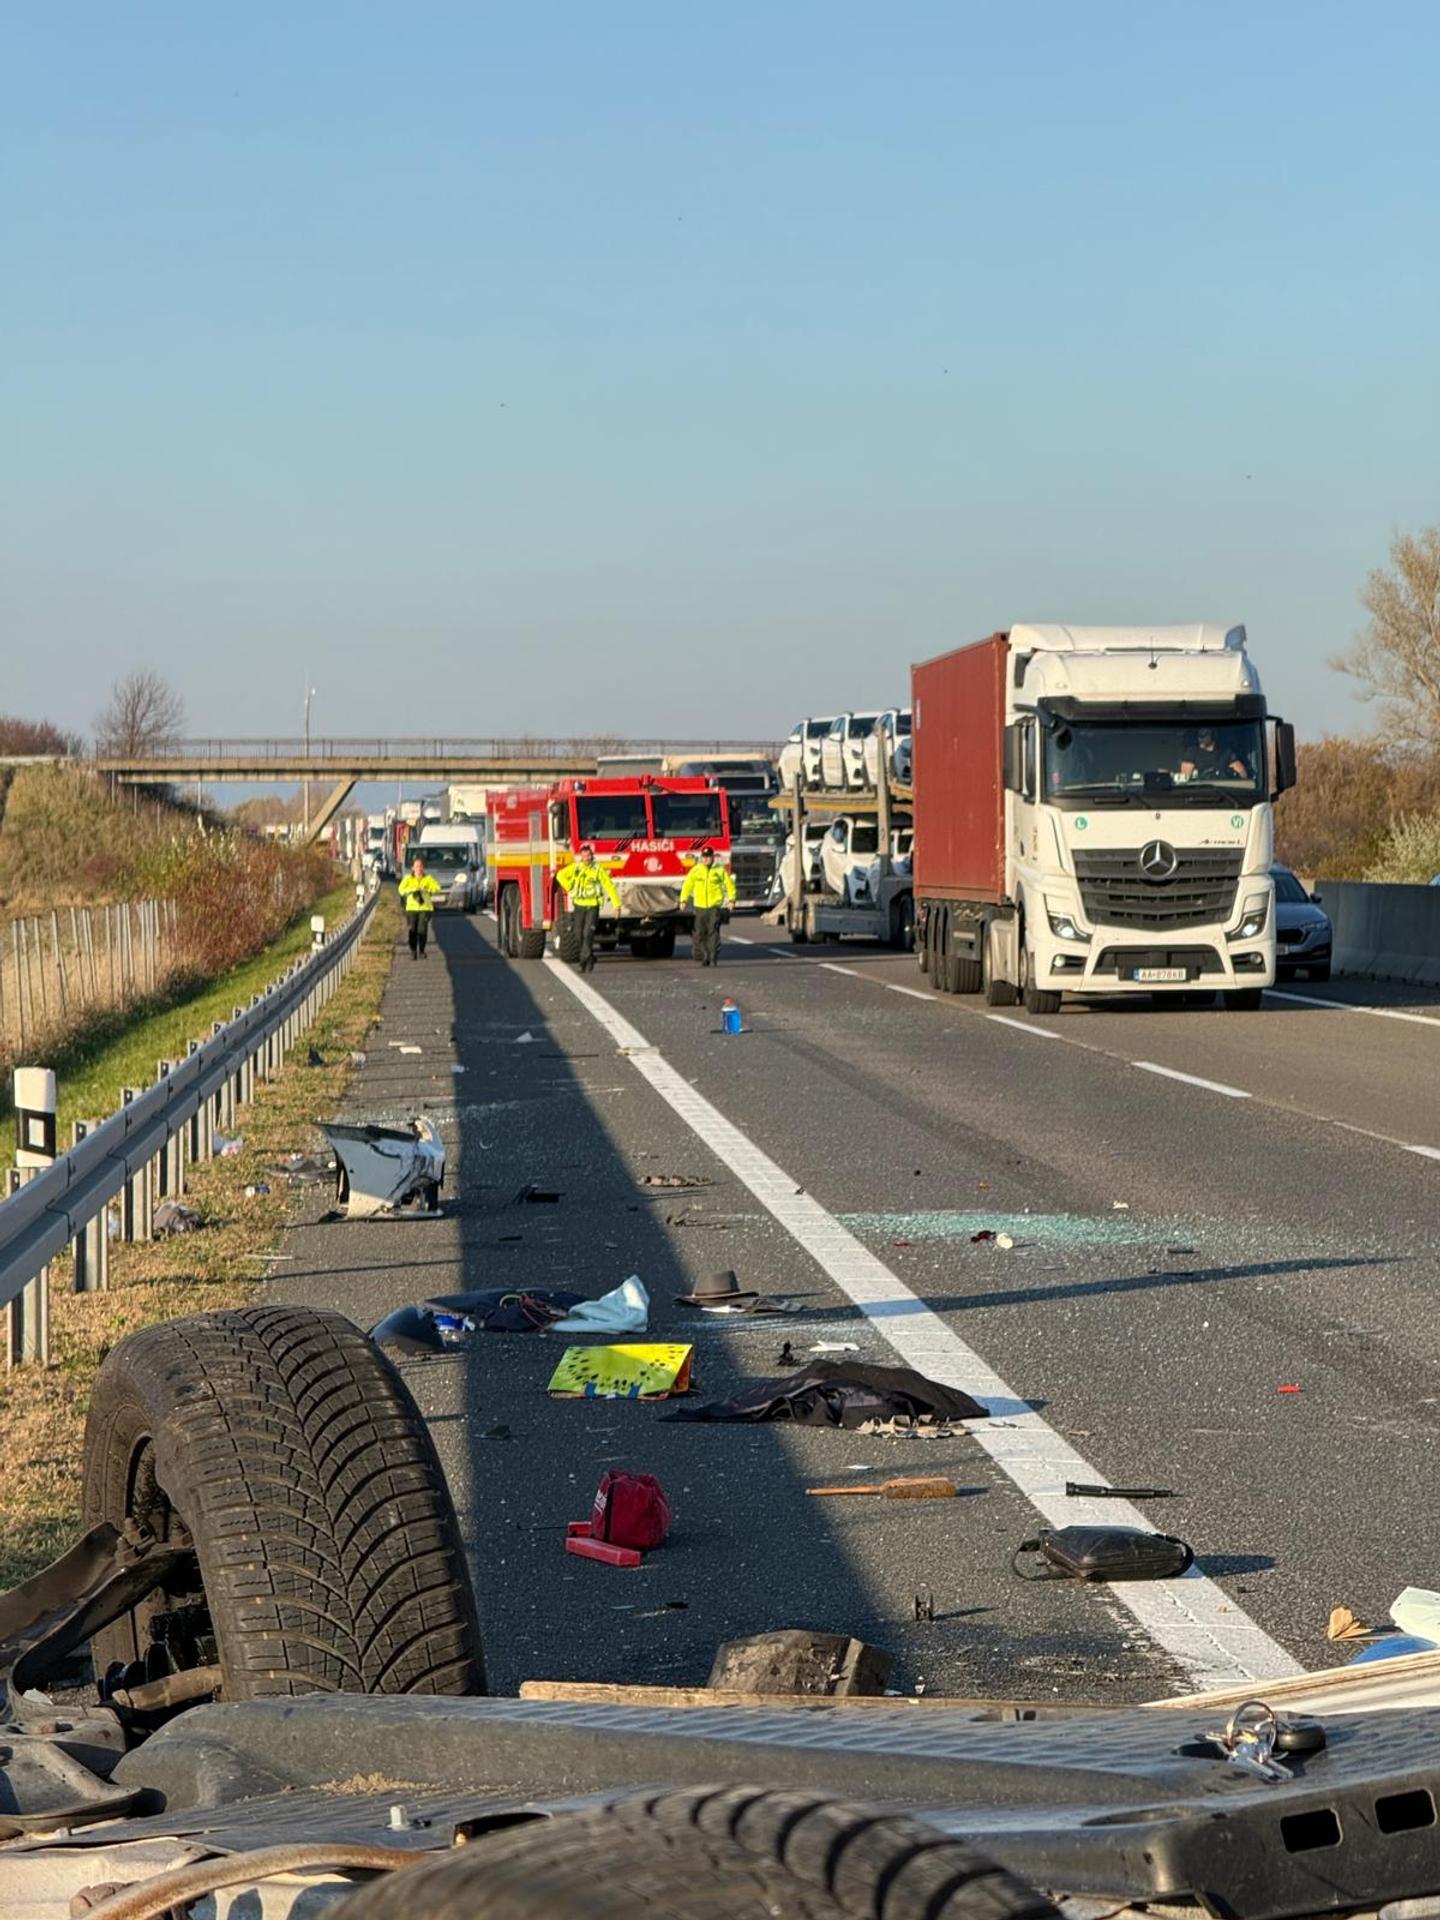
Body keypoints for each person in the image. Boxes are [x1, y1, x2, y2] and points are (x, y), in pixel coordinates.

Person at [555, 843, 620, 973]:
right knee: (578, 934)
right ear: (581, 856)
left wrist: (616, 906)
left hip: (592, 906)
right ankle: (590, 957)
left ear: (592, 856)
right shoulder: (576, 868)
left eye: (589, 855)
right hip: (579, 905)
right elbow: (560, 875)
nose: (586, 858)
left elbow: (609, 886)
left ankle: (582, 962)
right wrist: (570, 886)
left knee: (587, 934)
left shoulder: (597, 870)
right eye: (584, 856)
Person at [680, 844, 736, 966]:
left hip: (713, 906)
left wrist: (732, 900)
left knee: (712, 931)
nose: (706, 859)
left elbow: (729, 884)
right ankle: (705, 954)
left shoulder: (719, 870)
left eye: (708, 857)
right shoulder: (696, 870)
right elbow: (687, 885)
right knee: (700, 933)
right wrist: (683, 900)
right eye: (704, 857)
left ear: (712, 858)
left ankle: (713, 956)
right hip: (700, 906)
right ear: (701, 858)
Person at [398, 854, 442, 958]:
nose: (419, 868)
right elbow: (401, 890)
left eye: (420, 866)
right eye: (416, 866)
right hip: (412, 908)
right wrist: (411, 890)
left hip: (425, 908)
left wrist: (427, 889)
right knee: (413, 930)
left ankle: (422, 950)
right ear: (413, 868)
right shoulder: (408, 879)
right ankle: (413, 951)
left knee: (422, 929)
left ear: (423, 868)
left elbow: (437, 888)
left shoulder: (428, 878)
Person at [1179, 725, 1250, 783]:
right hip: (1200, 790)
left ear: (1212, 734)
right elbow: (1185, 778)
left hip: (1222, 789)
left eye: (1204, 735)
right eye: (1199, 735)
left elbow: (1242, 773)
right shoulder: (1192, 752)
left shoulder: (1225, 752)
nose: (1200, 738)